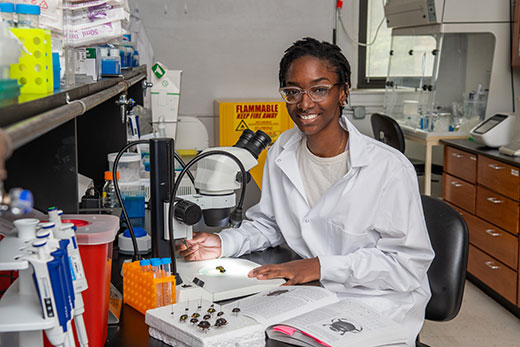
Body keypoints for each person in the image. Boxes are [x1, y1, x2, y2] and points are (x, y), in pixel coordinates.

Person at [177, 37, 434, 346]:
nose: (305, 103)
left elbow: (406, 263)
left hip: (378, 302)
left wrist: (320, 266)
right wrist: (223, 242)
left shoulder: (389, 168)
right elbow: (270, 223)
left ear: (344, 92)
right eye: (293, 91)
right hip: (311, 295)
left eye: (319, 89)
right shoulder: (282, 151)